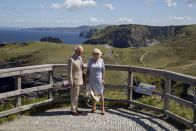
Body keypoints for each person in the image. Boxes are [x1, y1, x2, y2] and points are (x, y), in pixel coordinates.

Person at [86, 48, 106, 115]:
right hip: (91, 80)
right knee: (92, 94)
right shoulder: (90, 61)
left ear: (99, 54)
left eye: (97, 53)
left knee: (101, 94)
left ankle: (102, 109)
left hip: (99, 80)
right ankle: (94, 107)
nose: (95, 55)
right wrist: (86, 78)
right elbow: (88, 70)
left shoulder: (101, 60)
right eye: (94, 53)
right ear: (92, 54)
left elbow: (103, 70)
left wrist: (103, 79)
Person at [67, 45, 84, 116]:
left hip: (80, 80)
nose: (81, 52)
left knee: (77, 96)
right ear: (76, 51)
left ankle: (76, 108)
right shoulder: (71, 59)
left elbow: (80, 67)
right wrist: (70, 82)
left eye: (81, 51)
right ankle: (73, 110)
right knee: (74, 96)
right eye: (79, 51)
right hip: (74, 81)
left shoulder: (80, 58)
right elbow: (69, 72)